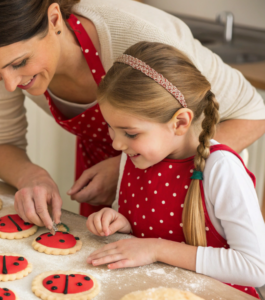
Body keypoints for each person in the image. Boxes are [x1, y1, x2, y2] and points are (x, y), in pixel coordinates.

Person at [0, 0, 265, 231]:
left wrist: (124, 166)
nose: (9, 84)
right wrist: (32, 177)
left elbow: (254, 114)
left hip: (194, 183)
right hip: (112, 183)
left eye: (20, 63)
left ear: (54, 18)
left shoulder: (139, 37)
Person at [85, 41, 265, 298]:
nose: (116, 143)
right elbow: (147, 231)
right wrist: (122, 224)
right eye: (111, 128)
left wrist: (156, 249)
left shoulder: (221, 169)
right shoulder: (136, 155)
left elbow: (254, 268)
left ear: (180, 122)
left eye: (130, 133)